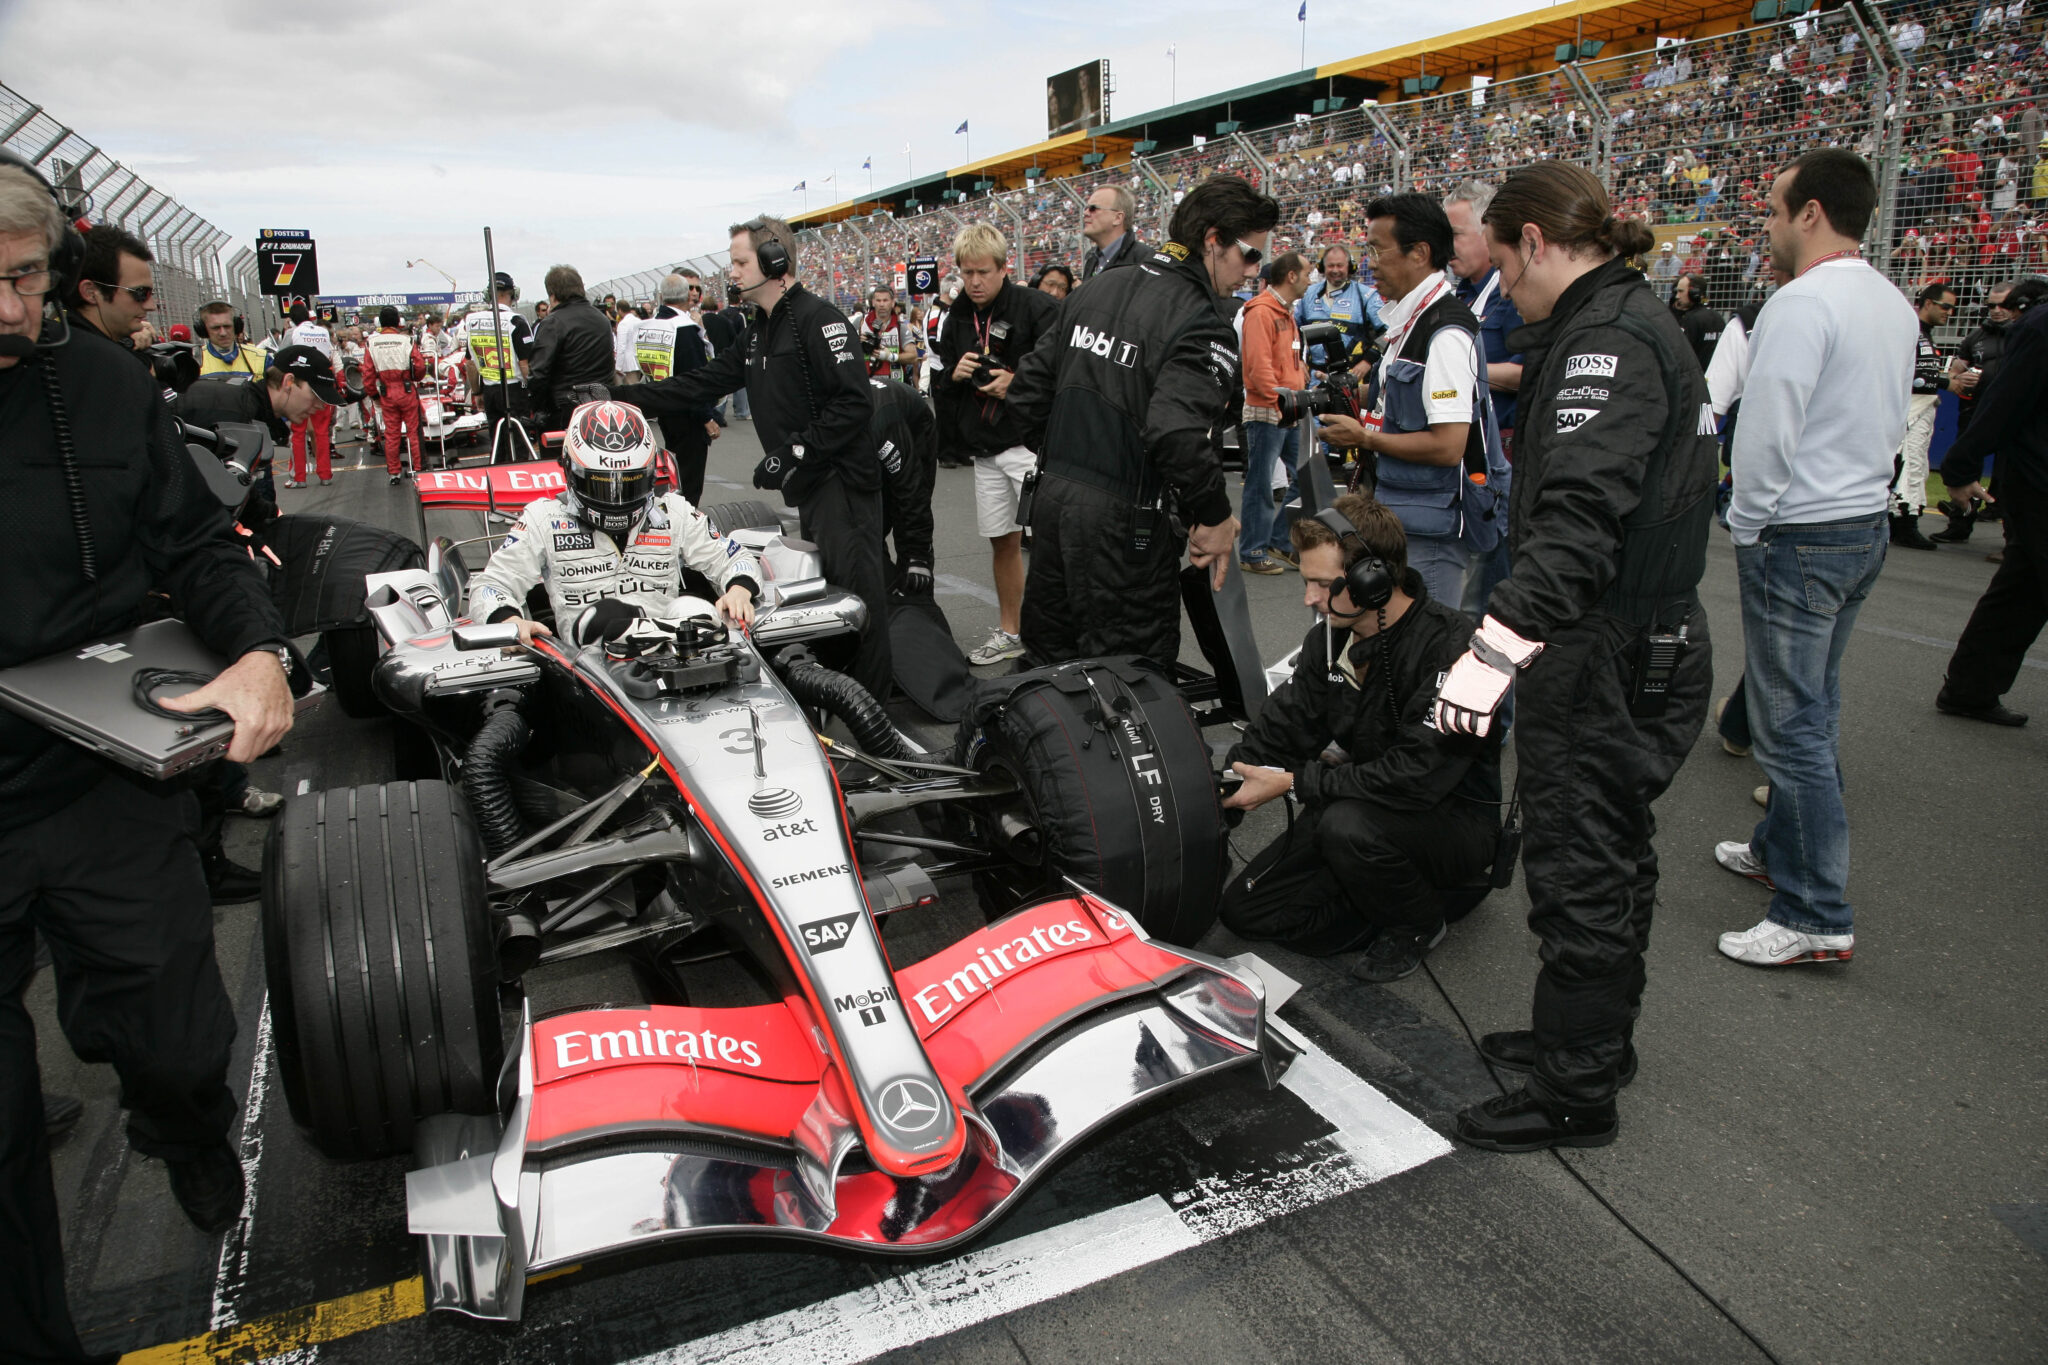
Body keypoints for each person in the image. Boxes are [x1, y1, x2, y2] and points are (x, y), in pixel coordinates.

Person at [0, 163, 296, 1363]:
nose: (12, 311)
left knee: (175, 1042)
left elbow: (199, 543)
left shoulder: (107, 382)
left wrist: (264, 653)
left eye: (23, 279)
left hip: (98, 776)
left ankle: (182, 1130)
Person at [1434, 161, 1717, 1152]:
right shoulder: (1620, 321)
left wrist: (1487, 655)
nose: (1502, 294)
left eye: (1504, 272)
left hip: (1608, 643)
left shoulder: (1605, 339)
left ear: (1538, 244)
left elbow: (1576, 529)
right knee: (1606, 854)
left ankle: (1575, 1089)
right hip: (1630, 633)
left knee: (1580, 865)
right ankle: (1583, 1039)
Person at [1715, 149, 1917, 969]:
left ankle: (1816, 911)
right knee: (1813, 705)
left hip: (1800, 530)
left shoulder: (1800, 303)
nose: (1766, 224)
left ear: (1810, 213)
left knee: (1789, 723)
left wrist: (1746, 524)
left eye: (1772, 208)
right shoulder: (1892, 302)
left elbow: (1767, 431)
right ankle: (1782, 854)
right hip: (1860, 520)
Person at [606, 215, 894, 701]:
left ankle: (874, 715)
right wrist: (619, 398)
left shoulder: (819, 319)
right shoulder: (759, 328)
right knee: (831, 598)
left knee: (856, 602)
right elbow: (703, 382)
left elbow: (855, 402)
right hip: (814, 487)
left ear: (774, 261)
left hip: (844, 484)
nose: (732, 273)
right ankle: (848, 700)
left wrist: (795, 450)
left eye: (740, 262)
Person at [1219, 494, 1500, 980]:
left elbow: (1417, 777)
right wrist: (1223, 793)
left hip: (1448, 820)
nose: (1309, 598)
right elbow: (1282, 727)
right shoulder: (1329, 639)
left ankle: (1417, 921)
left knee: (1345, 827)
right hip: (1360, 802)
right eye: (1307, 581)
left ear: (1375, 582)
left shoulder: (1455, 647)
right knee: (1247, 913)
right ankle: (1378, 886)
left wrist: (1293, 783)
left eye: (1324, 585)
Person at [1007, 174, 1277, 670]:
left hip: (1053, 503)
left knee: (1049, 668)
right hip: (1126, 523)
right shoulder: (1202, 320)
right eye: (1251, 254)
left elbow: (1025, 394)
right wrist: (1213, 518)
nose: (1254, 271)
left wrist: (1073, 460)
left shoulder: (1097, 288)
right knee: (1129, 684)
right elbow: (1179, 434)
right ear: (1213, 241)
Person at [468, 400, 759, 638]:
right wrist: (509, 621)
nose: (617, 499)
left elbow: (736, 558)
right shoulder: (543, 518)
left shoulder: (674, 511)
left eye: (629, 483)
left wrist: (739, 590)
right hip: (588, 669)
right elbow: (490, 585)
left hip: (676, 651)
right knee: (608, 617)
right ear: (571, 473)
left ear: (649, 476)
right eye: (602, 485)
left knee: (695, 610)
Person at [1313, 194, 1480, 608]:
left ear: (1419, 253)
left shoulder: (1444, 331)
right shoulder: (1413, 321)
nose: (1368, 262)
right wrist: (1351, 396)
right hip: (1406, 513)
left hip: (1431, 525)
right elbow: (1404, 402)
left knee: (1429, 647)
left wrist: (1365, 438)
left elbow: (1448, 445)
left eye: (1376, 249)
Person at [932, 223, 1060, 666]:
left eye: (983, 272)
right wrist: (956, 373)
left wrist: (1017, 382)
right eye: (966, 273)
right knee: (1001, 541)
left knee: (1050, 541)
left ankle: (1055, 633)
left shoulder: (1037, 307)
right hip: (984, 450)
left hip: (1030, 445)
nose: (975, 282)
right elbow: (940, 377)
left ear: (1004, 267)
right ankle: (1012, 630)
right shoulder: (956, 317)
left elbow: (1065, 369)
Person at [1934, 276, 2048, 724]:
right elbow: (2004, 401)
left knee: (2021, 591)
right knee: (2021, 589)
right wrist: (1962, 467)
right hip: (2039, 481)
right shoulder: (2040, 328)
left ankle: (1969, 689)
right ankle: (1969, 689)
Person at [1444, 178, 1525, 621]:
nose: (1447, 244)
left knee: (1485, 592)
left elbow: (1527, 373)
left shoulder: (1511, 291)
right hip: (1465, 454)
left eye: (1456, 233)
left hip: (1502, 456)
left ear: (1488, 231)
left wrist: (1461, 373)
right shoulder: (1461, 294)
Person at [176, 343, 339, 506]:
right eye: (314, 394)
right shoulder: (237, 416)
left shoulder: (254, 412)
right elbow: (218, 499)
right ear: (288, 382)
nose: (320, 406)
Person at [1932, 278, 2022, 545]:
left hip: (2013, 414)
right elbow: (1955, 370)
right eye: (1991, 305)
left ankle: (2012, 539)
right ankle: (1959, 524)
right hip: (1976, 410)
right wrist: (1959, 377)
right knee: (1966, 465)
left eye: (2003, 305)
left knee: (2012, 474)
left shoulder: (2028, 333)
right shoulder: (1977, 336)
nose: (1996, 311)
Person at [1238, 249, 1309, 575]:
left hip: (1288, 408)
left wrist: (1301, 377)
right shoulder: (1262, 312)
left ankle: (1279, 540)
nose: (1311, 279)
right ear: (1291, 276)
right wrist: (1279, 400)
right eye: (1307, 273)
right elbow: (1257, 366)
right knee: (1261, 484)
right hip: (1271, 411)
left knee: (1305, 477)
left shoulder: (1283, 312)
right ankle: (1253, 550)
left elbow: (1282, 360)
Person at [633, 272, 722, 503]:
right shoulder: (683, 329)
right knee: (689, 480)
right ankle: (687, 523)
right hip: (688, 412)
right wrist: (706, 416)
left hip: (663, 405)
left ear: (662, 296)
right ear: (686, 296)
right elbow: (696, 379)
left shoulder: (651, 326)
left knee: (675, 471)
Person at [1893, 282, 1960, 550]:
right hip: (1909, 409)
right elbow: (1913, 374)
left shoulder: (1925, 334)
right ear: (1929, 303)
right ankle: (1904, 524)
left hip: (1920, 409)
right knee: (1908, 463)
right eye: (1945, 307)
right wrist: (1945, 382)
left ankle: (1902, 520)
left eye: (1953, 309)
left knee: (1915, 463)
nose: (1949, 313)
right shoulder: (1909, 330)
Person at [455, 272, 535, 463]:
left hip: (490, 389)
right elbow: (525, 365)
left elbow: (470, 363)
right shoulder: (517, 321)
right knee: (519, 441)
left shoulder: (472, 320)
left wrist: (476, 392)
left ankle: (498, 478)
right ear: (513, 294)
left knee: (497, 441)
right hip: (515, 389)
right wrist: (531, 390)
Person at [526, 264, 615, 435]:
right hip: (601, 403)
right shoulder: (601, 319)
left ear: (552, 295)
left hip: (565, 409)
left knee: (560, 459)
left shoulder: (553, 322)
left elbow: (538, 373)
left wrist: (538, 410)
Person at [869, 373, 937, 594]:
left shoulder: (881, 420)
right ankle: (882, 591)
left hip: (913, 427)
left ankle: (918, 602)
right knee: (868, 524)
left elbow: (911, 487)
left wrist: (918, 554)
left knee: (901, 507)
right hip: (879, 421)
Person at [362, 306, 427, 485]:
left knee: (391, 435)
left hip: (386, 393)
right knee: (413, 432)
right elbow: (420, 367)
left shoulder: (371, 342)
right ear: (399, 322)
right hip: (406, 390)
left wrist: (374, 394)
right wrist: (414, 378)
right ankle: (418, 470)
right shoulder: (407, 340)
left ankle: (394, 473)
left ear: (380, 323)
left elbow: (367, 374)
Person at [65, 223, 155, 350]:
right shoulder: (96, 359)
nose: (151, 306)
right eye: (140, 293)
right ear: (90, 292)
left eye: (151, 294)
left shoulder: (62, 340)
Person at [1295, 243, 1381, 376]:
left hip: (1352, 377)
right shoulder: (1307, 294)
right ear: (1322, 267)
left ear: (1350, 267)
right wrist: (1298, 360)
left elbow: (1387, 334)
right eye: (1330, 265)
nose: (1335, 270)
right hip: (1314, 377)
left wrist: (1367, 362)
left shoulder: (1366, 296)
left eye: (1340, 265)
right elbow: (1292, 331)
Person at [282, 301, 335, 486]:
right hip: (322, 385)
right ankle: (325, 475)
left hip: (300, 387)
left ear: (291, 320)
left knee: (298, 432)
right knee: (321, 432)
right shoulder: (323, 331)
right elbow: (329, 355)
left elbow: (281, 359)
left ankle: (299, 478)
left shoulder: (291, 333)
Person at [1081, 184, 1147, 279]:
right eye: (1085, 208)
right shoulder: (1091, 261)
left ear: (1117, 218)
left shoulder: (1144, 259)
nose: (1085, 213)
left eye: (1093, 208)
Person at [859, 285, 918, 382]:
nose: (881, 304)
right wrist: (857, 342)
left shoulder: (900, 327)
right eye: (878, 301)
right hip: (867, 383)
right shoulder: (861, 323)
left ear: (892, 303)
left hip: (894, 384)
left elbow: (913, 356)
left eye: (885, 300)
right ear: (873, 302)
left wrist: (891, 356)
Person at [1669, 273, 1725, 374]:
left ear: (1694, 293)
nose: (1677, 296)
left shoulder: (1691, 319)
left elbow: (1681, 356)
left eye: (1681, 291)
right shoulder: (1718, 317)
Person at [197, 301, 265, 377]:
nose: (223, 333)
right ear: (203, 330)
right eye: (215, 328)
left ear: (236, 327)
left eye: (227, 326)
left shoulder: (262, 358)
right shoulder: (195, 362)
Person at [613, 296, 643, 385]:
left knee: (631, 389)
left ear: (619, 310)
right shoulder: (638, 321)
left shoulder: (623, 324)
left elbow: (621, 346)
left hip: (628, 363)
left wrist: (618, 366)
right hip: (639, 361)